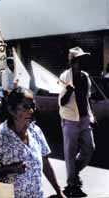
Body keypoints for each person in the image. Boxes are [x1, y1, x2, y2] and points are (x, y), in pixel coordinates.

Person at [0, 87, 64, 198]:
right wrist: (10, 169)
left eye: (32, 106)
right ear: (11, 110)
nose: (31, 111)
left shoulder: (36, 131)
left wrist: (58, 191)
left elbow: (45, 162)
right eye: (25, 107)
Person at [58, 47, 95, 197]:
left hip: (84, 118)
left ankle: (73, 173)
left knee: (89, 148)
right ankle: (72, 183)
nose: (83, 62)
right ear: (73, 62)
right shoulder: (65, 77)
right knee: (70, 152)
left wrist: (92, 116)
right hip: (70, 119)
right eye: (80, 60)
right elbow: (62, 102)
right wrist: (69, 90)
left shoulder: (86, 77)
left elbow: (87, 98)